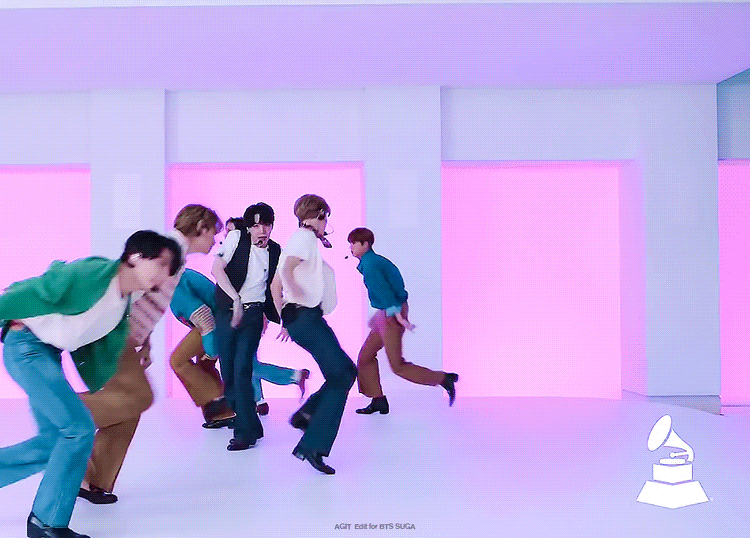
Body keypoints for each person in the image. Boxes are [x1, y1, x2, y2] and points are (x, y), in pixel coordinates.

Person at [0, 230, 180, 538]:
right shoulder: (95, 273)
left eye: (170, 268)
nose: (165, 274)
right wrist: (7, 314)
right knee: (78, 428)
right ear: (136, 256)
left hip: (46, 353)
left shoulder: (122, 302)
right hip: (26, 347)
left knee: (55, 441)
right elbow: (42, 286)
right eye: (162, 264)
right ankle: (46, 523)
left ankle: (45, 522)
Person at [77, 204, 221, 505]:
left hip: (125, 338)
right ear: (202, 227)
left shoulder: (174, 256)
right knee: (134, 398)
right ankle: (65, 415)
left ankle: (93, 480)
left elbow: (146, 300)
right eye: (214, 233)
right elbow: (127, 289)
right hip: (114, 337)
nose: (214, 240)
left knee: (129, 408)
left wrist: (145, 340)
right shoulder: (167, 253)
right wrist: (122, 336)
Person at [271, 194, 357, 475]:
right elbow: (285, 271)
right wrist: (295, 296)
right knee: (342, 375)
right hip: (306, 317)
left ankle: (307, 415)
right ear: (318, 216)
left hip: (302, 319)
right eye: (325, 218)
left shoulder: (297, 240)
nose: (325, 224)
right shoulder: (305, 237)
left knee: (345, 371)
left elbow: (274, 285)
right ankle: (313, 445)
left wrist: (285, 318)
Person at [347, 227, 458, 415]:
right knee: (365, 357)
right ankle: (378, 400)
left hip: (392, 312)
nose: (351, 247)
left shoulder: (371, 264)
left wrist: (397, 316)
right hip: (388, 312)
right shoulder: (372, 262)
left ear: (365, 244)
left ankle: (443, 379)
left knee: (397, 365)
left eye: (354, 243)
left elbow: (386, 293)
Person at [216, 218, 309, 418]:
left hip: (252, 315)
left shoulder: (262, 253)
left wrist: (272, 316)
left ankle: (293, 375)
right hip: (236, 314)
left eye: (231, 232)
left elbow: (270, 288)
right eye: (226, 233)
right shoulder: (232, 257)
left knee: (245, 364)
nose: (227, 236)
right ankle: (259, 400)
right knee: (246, 361)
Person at [212, 203, 282, 451]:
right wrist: (235, 298)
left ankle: (244, 434)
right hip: (227, 312)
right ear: (248, 227)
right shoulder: (236, 238)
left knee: (242, 370)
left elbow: (275, 286)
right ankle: (251, 423)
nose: (261, 230)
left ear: (272, 226)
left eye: (266, 225)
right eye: (255, 225)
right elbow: (216, 269)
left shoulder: (276, 251)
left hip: (253, 315)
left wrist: (278, 317)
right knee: (228, 372)